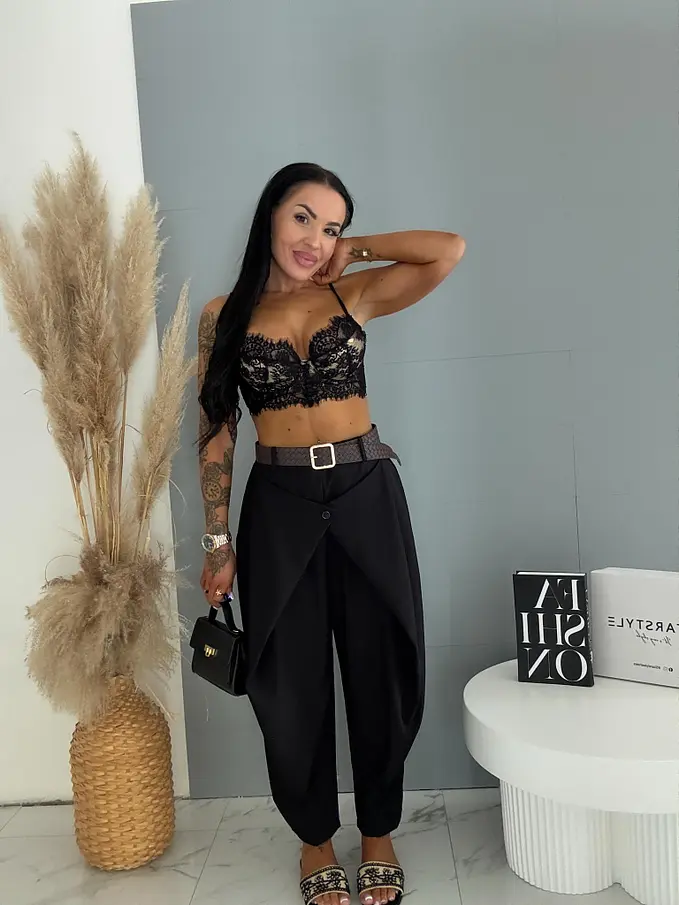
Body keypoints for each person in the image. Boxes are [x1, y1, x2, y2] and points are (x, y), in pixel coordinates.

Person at [196, 163, 465, 905]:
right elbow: (217, 432)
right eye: (303, 217)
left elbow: (447, 250)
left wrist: (359, 248)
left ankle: (378, 832)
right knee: (289, 679)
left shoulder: (352, 293)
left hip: (366, 491)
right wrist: (217, 540)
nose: (315, 238)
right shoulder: (222, 315)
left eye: (332, 225)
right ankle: (314, 840)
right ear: (270, 215)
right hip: (278, 502)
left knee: (383, 664)